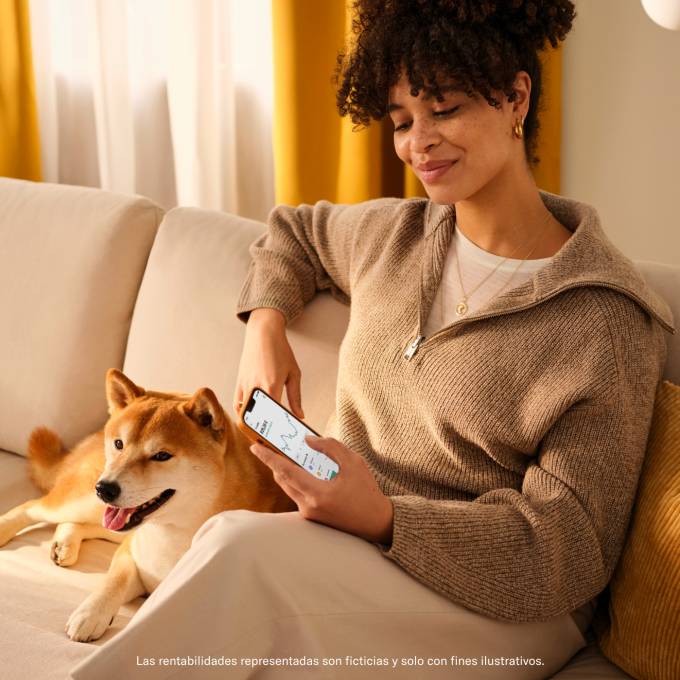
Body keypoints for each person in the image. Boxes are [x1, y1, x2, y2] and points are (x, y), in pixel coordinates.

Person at [71, 1, 675, 678]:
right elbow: (291, 234)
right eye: (402, 122)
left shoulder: (607, 322)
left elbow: (566, 550)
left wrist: (387, 517)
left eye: (443, 110)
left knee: (239, 546)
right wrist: (264, 327)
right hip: (347, 550)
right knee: (239, 557)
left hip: (510, 612)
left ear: (515, 97)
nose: (420, 142)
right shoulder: (395, 236)